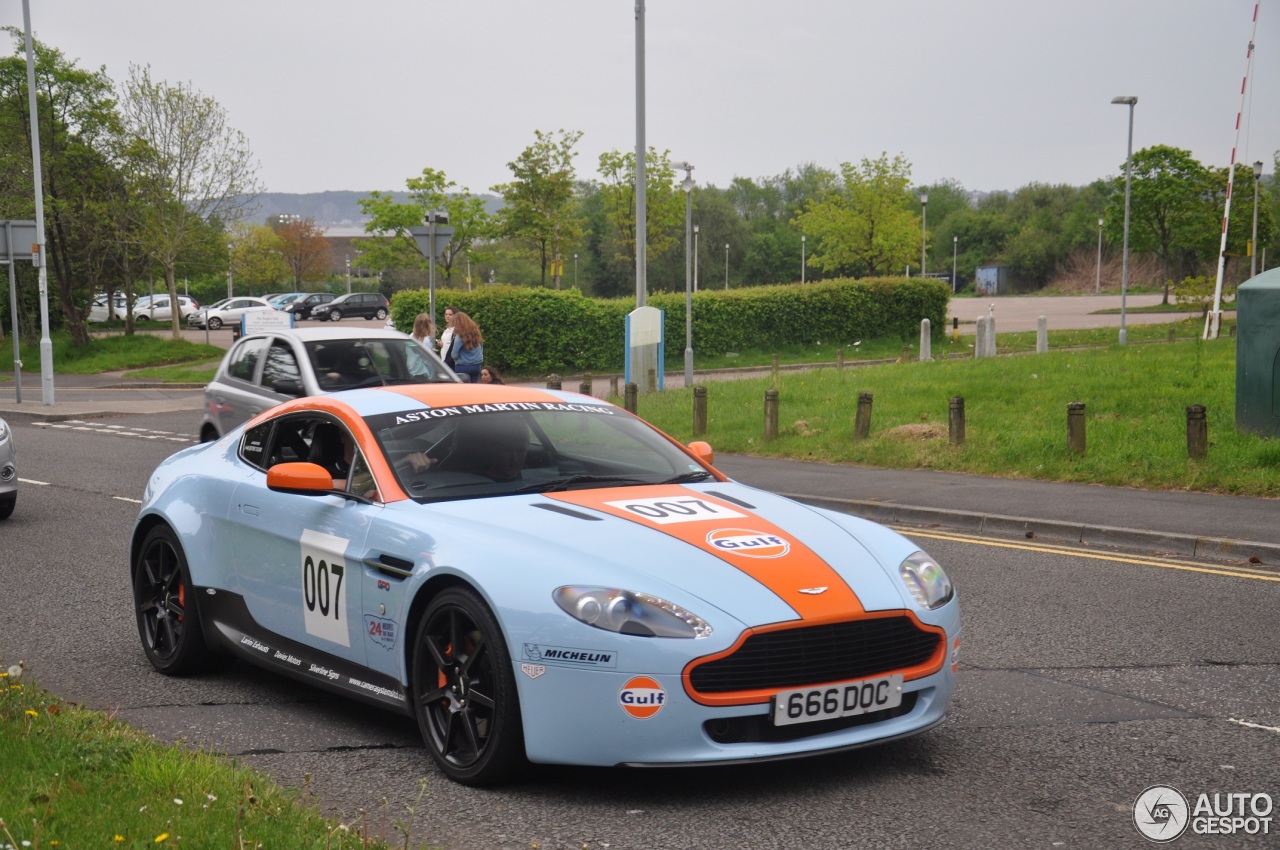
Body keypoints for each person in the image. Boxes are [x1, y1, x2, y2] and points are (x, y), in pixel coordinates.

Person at [448, 311, 484, 383]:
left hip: (463, 366)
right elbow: (481, 347)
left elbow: (454, 354)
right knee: (473, 389)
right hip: (476, 365)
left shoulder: (459, 336)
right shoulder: (476, 332)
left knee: (463, 390)